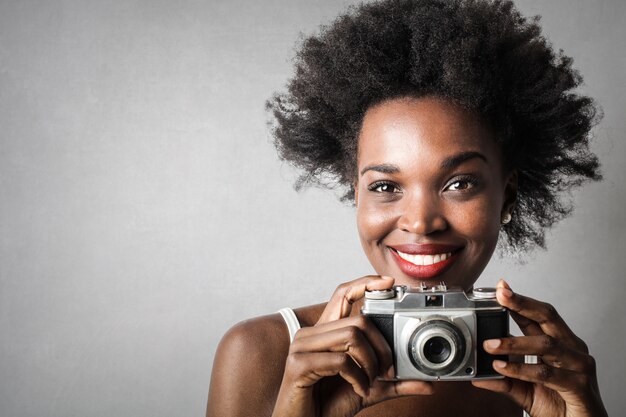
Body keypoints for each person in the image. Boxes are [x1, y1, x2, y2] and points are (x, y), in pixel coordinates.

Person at [206, 0, 608, 416]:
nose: (420, 222)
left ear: (506, 195)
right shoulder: (262, 354)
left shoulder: (531, 373)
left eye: (460, 183)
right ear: (356, 194)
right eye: (385, 185)